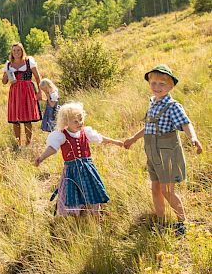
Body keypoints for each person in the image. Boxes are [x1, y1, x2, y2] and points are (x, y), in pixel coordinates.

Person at [123, 65, 203, 235]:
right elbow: (148, 127)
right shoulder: (153, 102)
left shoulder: (173, 106)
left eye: (162, 84)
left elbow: (185, 123)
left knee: (168, 190)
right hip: (152, 151)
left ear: (171, 86)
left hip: (167, 152)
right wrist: (133, 139)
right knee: (156, 188)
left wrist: (193, 138)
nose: (157, 87)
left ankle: (182, 222)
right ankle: (161, 220)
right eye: (153, 83)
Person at [34, 102, 123, 218]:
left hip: (88, 169)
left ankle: (95, 217)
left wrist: (116, 142)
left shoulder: (85, 132)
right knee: (72, 194)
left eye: (81, 119)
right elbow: (52, 148)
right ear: (66, 122)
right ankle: (75, 218)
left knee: (92, 194)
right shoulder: (61, 135)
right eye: (75, 121)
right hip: (71, 171)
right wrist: (41, 158)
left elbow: (101, 138)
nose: (80, 123)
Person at [2, 43, 42, 148]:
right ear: (11, 52)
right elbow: (4, 82)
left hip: (28, 91)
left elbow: (38, 78)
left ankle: (28, 144)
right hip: (15, 92)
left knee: (27, 119)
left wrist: (39, 92)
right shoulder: (8, 64)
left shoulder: (29, 61)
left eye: (18, 50)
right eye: (14, 50)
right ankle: (18, 144)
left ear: (22, 51)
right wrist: (7, 71)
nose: (16, 52)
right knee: (16, 120)